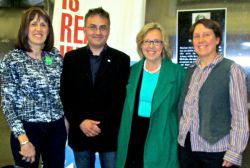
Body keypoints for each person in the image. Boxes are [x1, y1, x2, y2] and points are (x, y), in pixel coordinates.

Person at [60, 7, 130, 168]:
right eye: (93, 26)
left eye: (103, 27)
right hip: (80, 132)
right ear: (84, 29)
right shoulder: (71, 58)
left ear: (109, 30)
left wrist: (101, 125)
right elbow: (66, 94)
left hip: (110, 134)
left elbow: (121, 99)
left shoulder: (121, 60)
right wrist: (81, 122)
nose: (98, 32)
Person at [0, 7, 67, 168]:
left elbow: (64, 92)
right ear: (25, 28)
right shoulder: (12, 60)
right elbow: (7, 104)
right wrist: (23, 140)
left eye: (44, 25)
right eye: (34, 24)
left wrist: (65, 120)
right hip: (27, 129)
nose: (39, 29)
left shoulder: (55, 56)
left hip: (56, 129)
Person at [178, 19, 249, 168]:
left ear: (217, 39)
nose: (200, 40)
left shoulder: (232, 70)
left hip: (216, 152)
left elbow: (240, 117)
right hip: (186, 149)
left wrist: (234, 152)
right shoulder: (191, 70)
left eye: (206, 35)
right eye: (196, 36)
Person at [116, 22, 186, 168]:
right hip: (132, 135)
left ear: (163, 45)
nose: (151, 46)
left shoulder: (177, 73)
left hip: (162, 135)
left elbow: (184, 108)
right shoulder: (132, 71)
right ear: (141, 45)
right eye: (147, 41)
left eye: (156, 41)